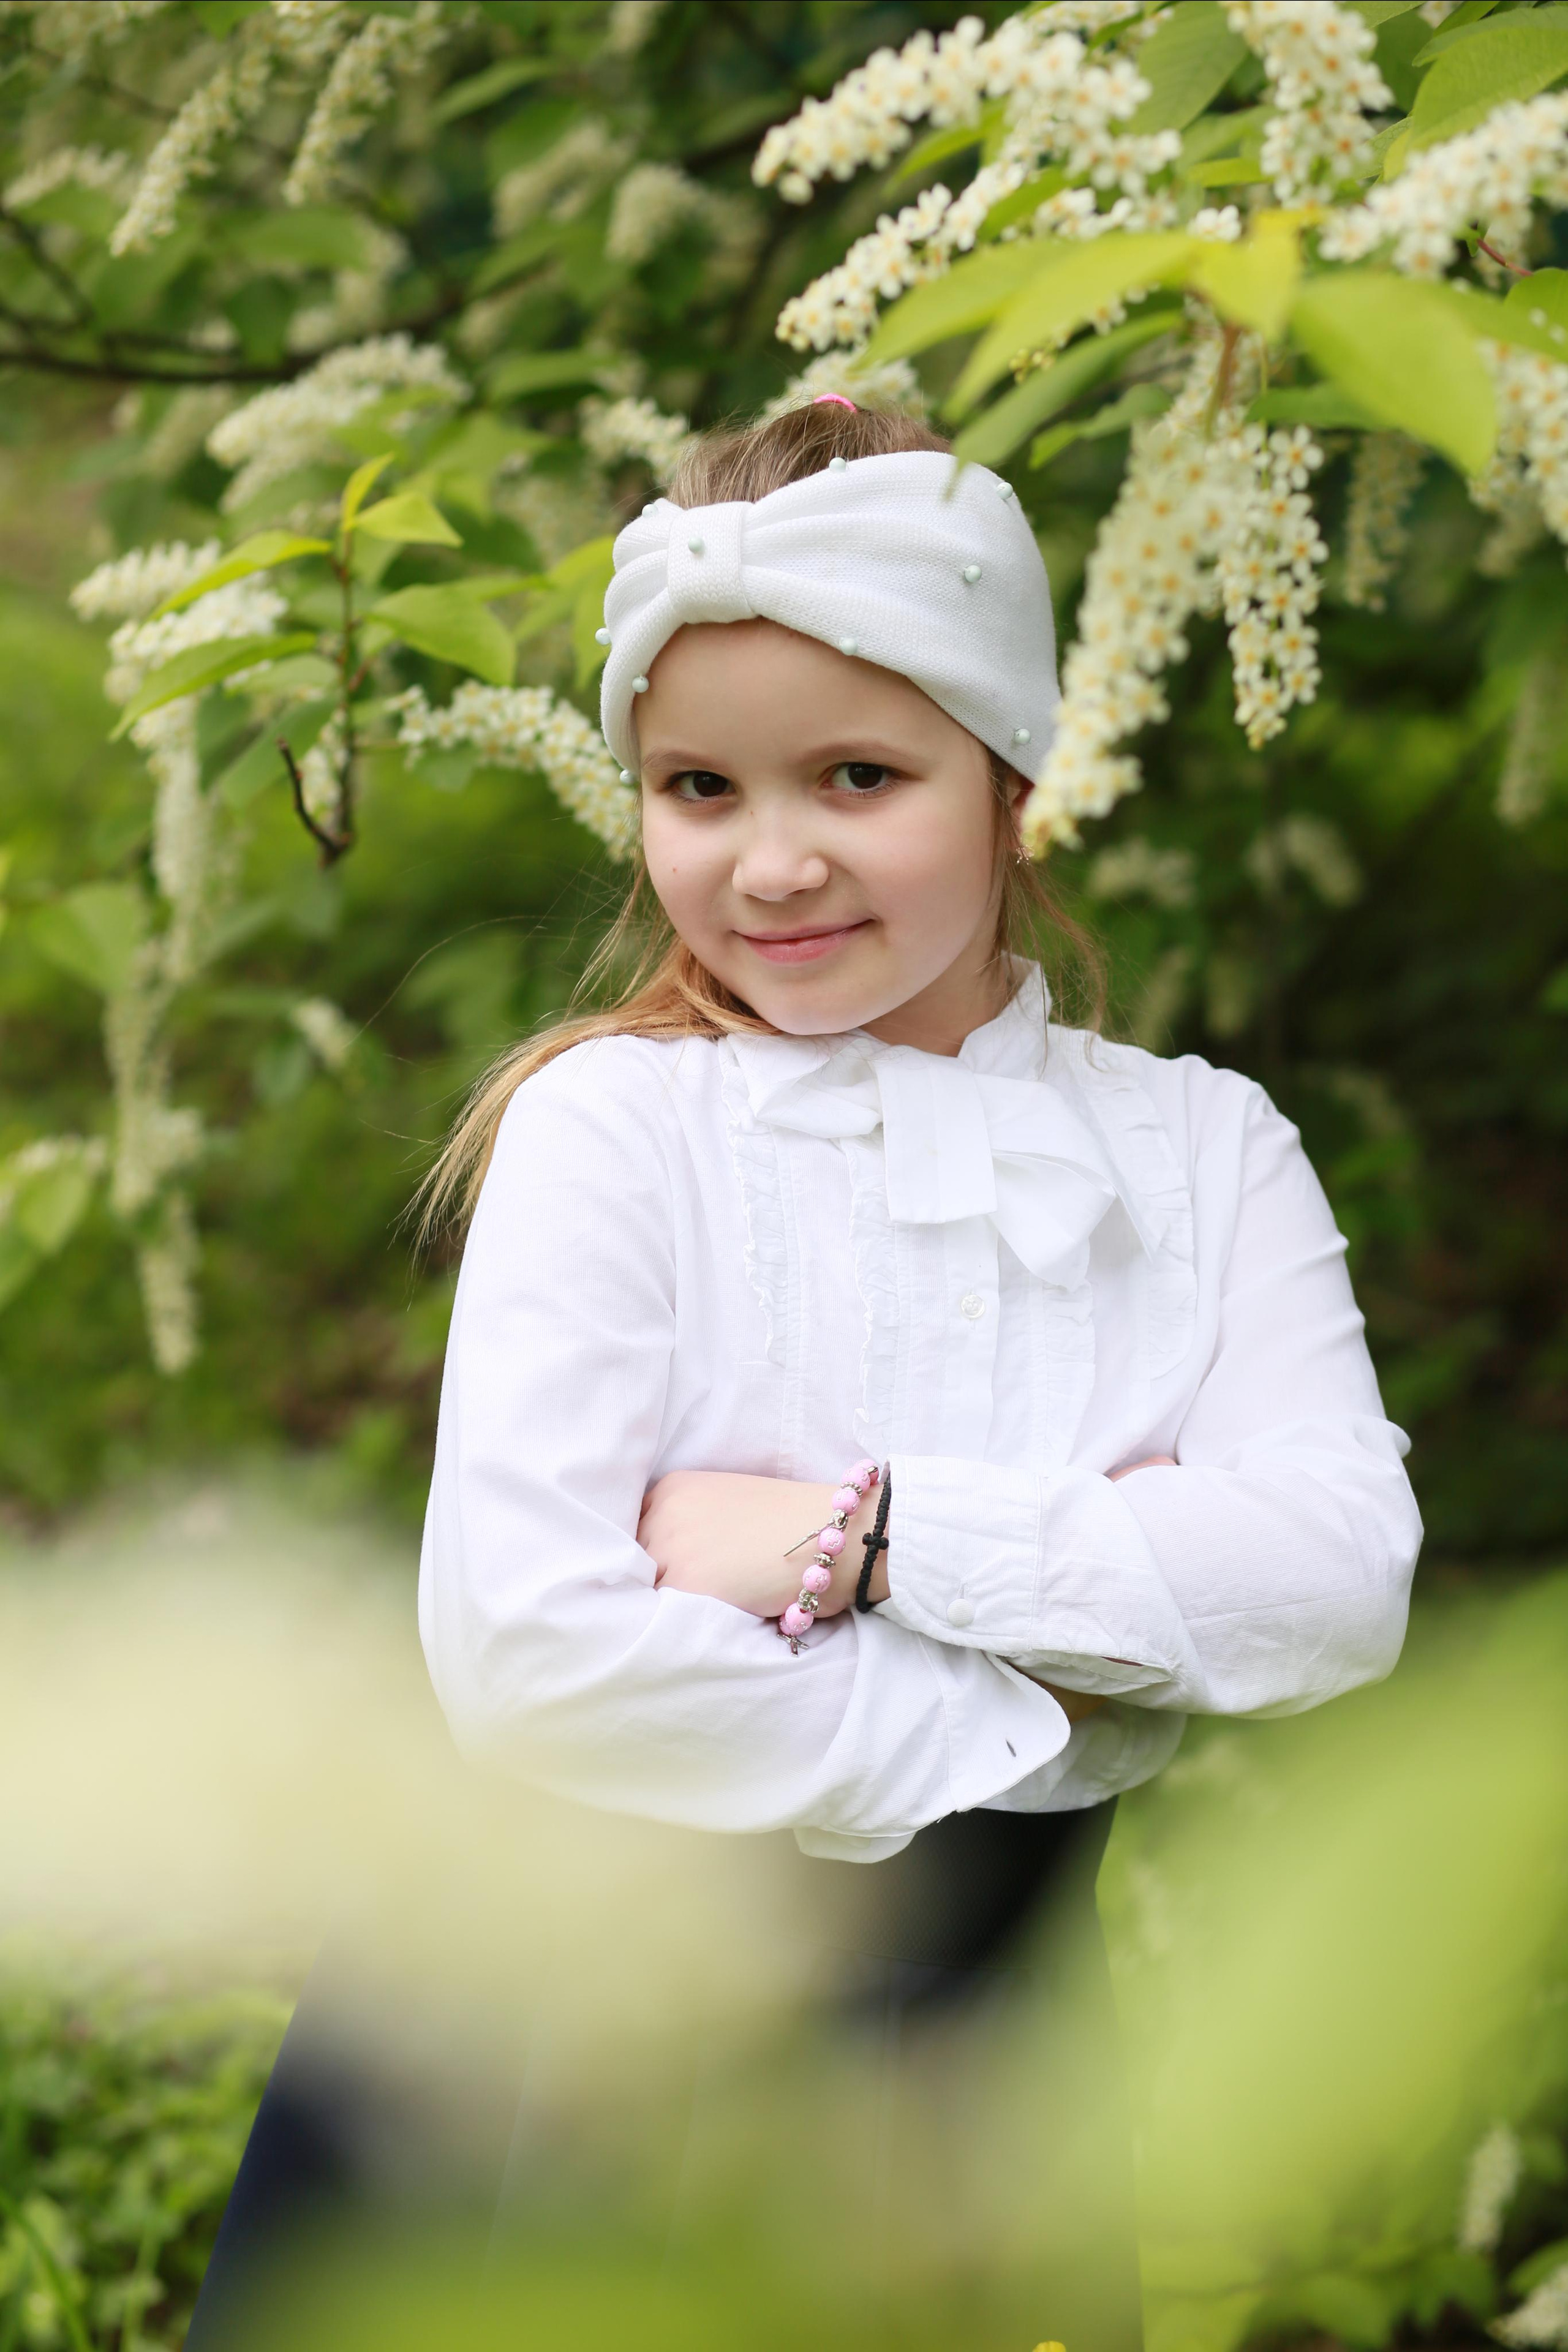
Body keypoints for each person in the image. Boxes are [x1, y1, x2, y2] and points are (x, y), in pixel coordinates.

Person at [187, 399, 1422, 2350]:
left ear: (1012, 766)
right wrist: (1065, 1701)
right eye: (697, 790)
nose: (771, 865)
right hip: (569, 2044)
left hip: (979, 2071)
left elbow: (1341, 1580)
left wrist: (877, 1542)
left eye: (856, 774)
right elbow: (530, 1657)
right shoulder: (621, 1132)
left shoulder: (1204, 1154)